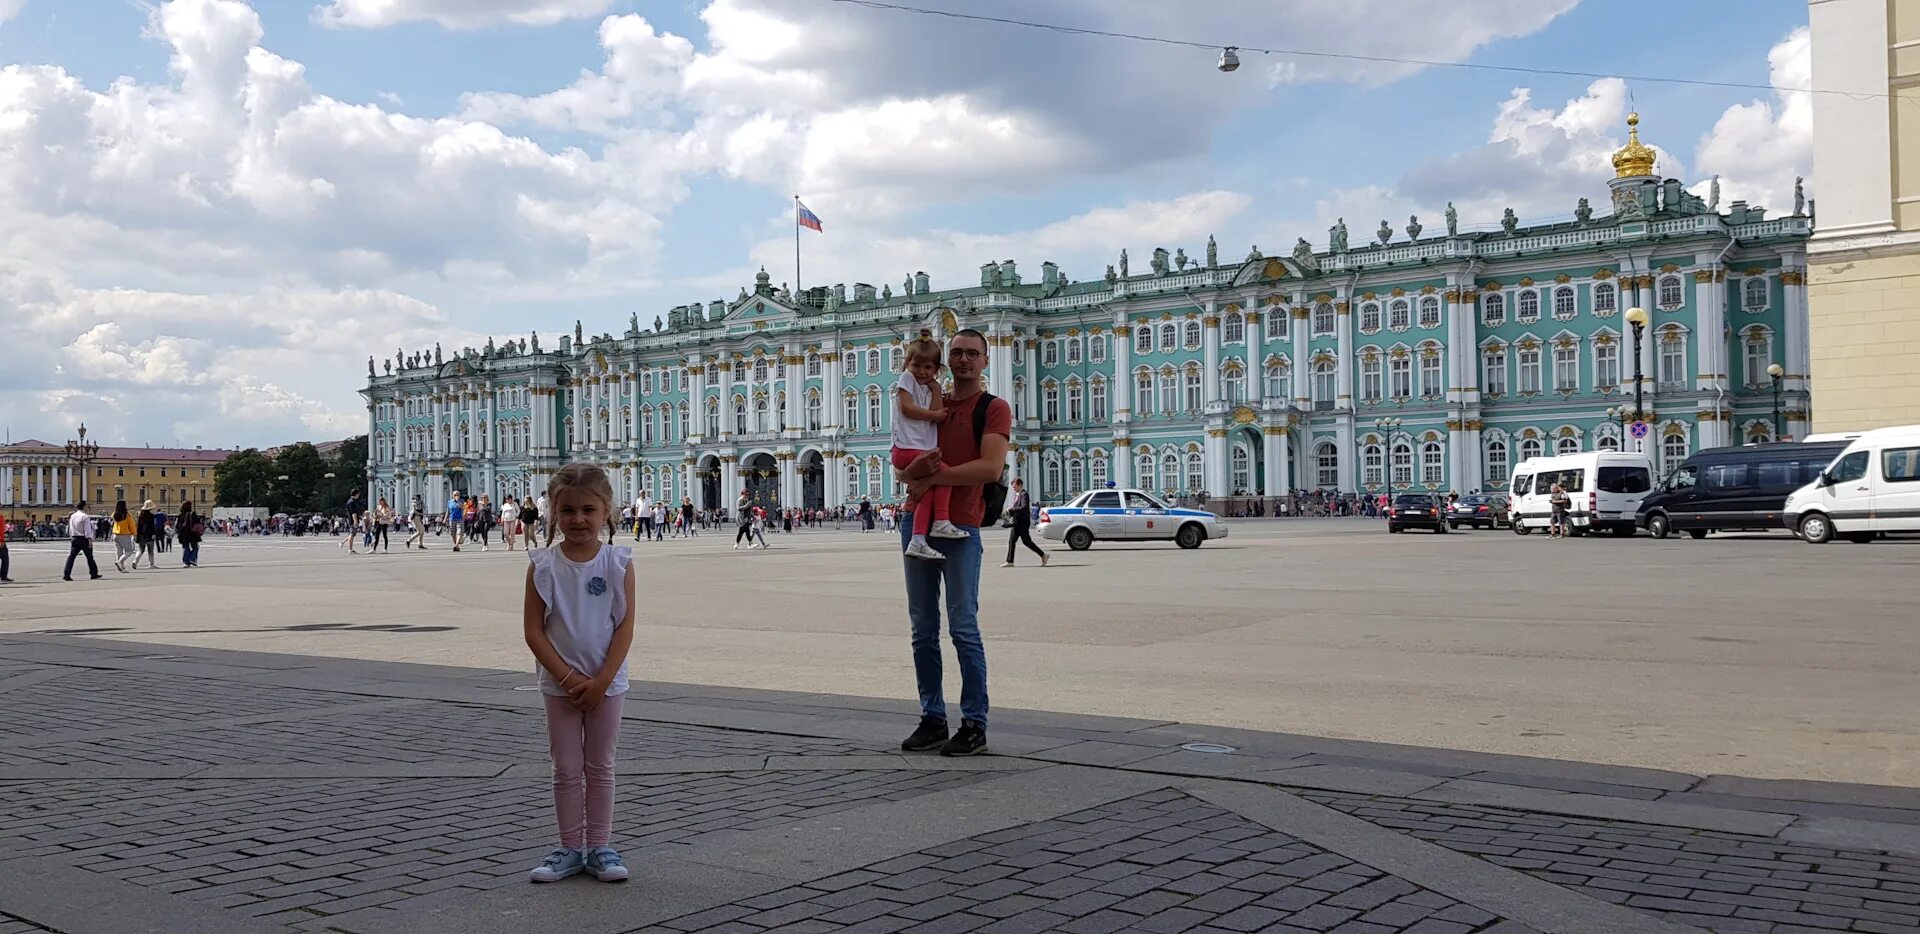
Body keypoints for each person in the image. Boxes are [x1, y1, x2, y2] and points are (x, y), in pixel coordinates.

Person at [897, 328, 1008, 758]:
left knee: (963, 627)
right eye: (956, 353)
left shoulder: (992, 408)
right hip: (916, 523)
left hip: (961, 527)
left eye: (971, 354)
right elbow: (904, 467)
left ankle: (974, 723)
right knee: (922, 629)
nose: (963, 360)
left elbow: (989, 468)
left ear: (984, 361)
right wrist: (913, 477)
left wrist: (932, 478)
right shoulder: (927, 401)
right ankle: (933, 718)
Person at [523, 463, 634, 885]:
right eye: (568, 510)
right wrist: (568, 679)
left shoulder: (618, 562)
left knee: (600, 765)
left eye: (589, 509)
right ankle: (570, 848)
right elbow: (533, 630)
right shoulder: (543, 565)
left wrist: (603, 680)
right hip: (559, 685)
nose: (579, 519)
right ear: (553, 512)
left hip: (607, 684)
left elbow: (624, 625)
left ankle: (600, 847)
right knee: (566, 767)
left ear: (607, 511)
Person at [1001, 478, 1047, 568]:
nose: (1014, 489)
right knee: (1026, 541)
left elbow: (1024, 507)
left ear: (1020, 485)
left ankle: (1010, 561)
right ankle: (1043, 555)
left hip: (1022, 522)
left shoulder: (1024, 494)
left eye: (1015, 487)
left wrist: (1012, 509)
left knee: (1013, 541)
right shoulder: (1018, 494)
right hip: (1019, 521)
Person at [63, 501, 101, 581]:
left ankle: (66, 574)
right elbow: (87, 530)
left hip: (75, 538)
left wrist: (71, 537)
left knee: (71, 557)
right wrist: (90, 539)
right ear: (84, 507)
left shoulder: (72, 516)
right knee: (90, 557)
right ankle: (93, 573)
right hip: (84, 538)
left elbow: (70, 528)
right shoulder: (85, 516)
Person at [111, 500, 137, 573]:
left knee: (119, 552)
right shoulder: (127, 514)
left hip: (115, 535)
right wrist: (134, 534)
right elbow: (131, 525)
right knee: (129, 551)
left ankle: (122, 568)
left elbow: (112, 521)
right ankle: (119, 562)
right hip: (124, 534)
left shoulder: (114, 514)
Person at [134, 500, 159, 570]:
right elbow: (152, 526)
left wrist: (137, 535)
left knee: (141, 550)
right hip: (149, 535)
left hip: (141, 535)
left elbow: (138, 526)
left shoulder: (140, 516)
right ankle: (151, 564)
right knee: (150, 550)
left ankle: (135, 561)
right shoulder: (151, 516)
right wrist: (154, 533)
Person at [178, 500, 203, 567]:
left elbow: (178, 525)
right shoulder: (192, 514)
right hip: (193, 533)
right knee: (195, 547)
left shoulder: (181, 514)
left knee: (185, 547)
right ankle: (192, 558)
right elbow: (197, 522)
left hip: (184, 533)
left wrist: (179, 532)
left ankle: (186, 562)